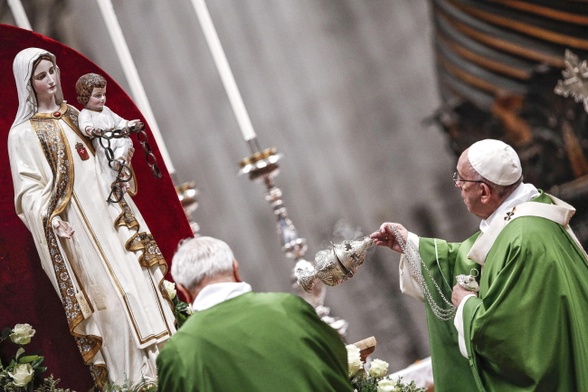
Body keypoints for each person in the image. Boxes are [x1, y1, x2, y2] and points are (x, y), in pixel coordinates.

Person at [7, 47, 176, 389]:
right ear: (28, 84)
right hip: (79, 232)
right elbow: (27, 193)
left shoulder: (81, 115)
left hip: (114, 218)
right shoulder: (23, 134)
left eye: (51, 71)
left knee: (140, 285)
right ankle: (133, 380)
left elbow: (110, 154)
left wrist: (122, 159)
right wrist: (51, 218)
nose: (51, 80)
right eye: (41, 76)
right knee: (111, 303)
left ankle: (171, 361)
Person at [371, 139, 588, 391]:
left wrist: (466, 305)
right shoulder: (526, 215)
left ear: (484, 192)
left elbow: (513, 338)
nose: (458, 186)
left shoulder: (522, 240)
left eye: (461, 180)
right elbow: (471, 257)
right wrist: (411, 244)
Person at [156, 236, 353, 392]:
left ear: (182, 290)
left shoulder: (177, 352)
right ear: (235, 268)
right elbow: (336, 360)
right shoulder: (289, 308)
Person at [75, 72, 139, 197]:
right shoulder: (86, 113)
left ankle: (120, 162)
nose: (103, 98)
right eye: (98, 95)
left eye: (104, 94)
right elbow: (84, 125)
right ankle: (117, 178)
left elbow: (120, 121)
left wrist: (129, 125)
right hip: (103, 141)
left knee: (126, 141)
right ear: (85, 97)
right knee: (107, 157)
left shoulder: (106, 110)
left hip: (115, 137)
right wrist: (92, 130)